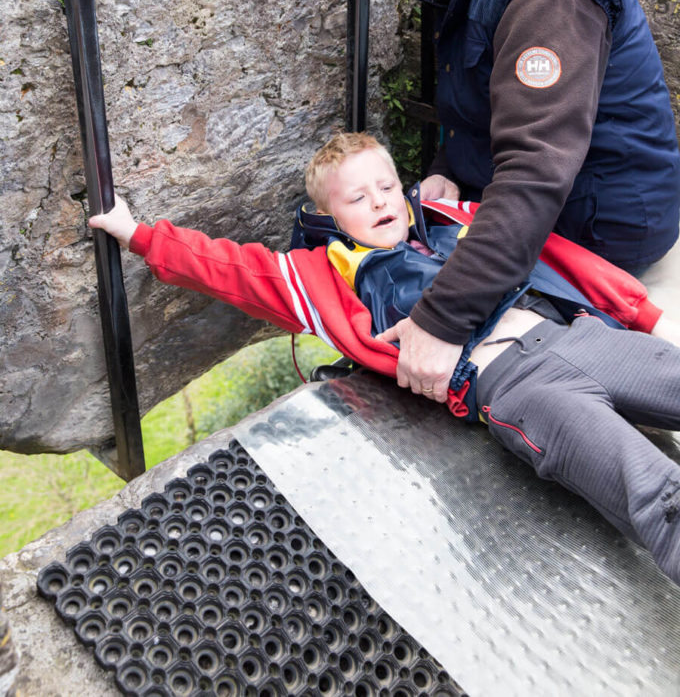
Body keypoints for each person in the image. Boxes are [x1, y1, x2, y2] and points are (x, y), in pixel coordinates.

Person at [90, 132, 680, 584]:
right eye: (356, 197)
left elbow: (550, 250)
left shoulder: (455, 219)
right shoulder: (327, 276)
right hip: (519, 388)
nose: (378, 201)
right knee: (658, 495)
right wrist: (137, 233)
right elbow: (232, 269)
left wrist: (638, 311)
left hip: (575, 337)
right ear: (330, 217)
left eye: (387, 187)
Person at [366, 0, 680, 403]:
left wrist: (442, 323)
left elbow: (537, 170)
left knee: (504, 363)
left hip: (602, 222)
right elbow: (482, 89)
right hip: (558, 197)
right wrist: (449, 162)